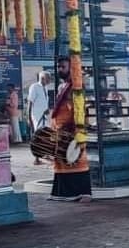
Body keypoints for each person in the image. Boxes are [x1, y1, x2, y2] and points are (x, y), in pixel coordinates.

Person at [49, 57, 92, 202]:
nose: (60, 69)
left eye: (63, 67)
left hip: (72, 128)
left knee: (76, 159)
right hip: (60, 130)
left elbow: (78, 108)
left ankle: (82, 193)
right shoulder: (64, 86)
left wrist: (75, 128)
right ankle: (62, 193)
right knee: (62, 160)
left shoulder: (75, 86)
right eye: (58, 67)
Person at [27, 71, 51, 163]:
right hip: (36, 116)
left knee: (45, 136)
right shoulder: (34, 87)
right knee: (38, 137)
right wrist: (29, 117)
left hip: (44, 115)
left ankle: (44, 154)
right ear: (43, 78)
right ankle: (36, 158)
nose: (50, 80)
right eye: (48, 78)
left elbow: (43, 101)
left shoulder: (46, 88)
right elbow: (30, 102)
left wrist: (47, 108)